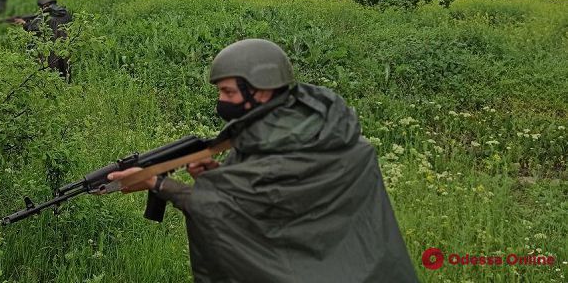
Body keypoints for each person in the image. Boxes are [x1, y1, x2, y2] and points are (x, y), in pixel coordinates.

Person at [108, 39, 417, 282]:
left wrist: (156, 182)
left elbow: (227, 208)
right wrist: (220, 176)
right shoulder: (310, 126)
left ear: (262, 90)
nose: (221, 102)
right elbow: (267, 199)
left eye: (228, 92)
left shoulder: (282, 145)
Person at [13, 0, 72, 81]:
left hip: (52, 48)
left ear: (45, 5)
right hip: (66, 46)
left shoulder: (46, 15)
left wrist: (24, 24)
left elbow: (34, 29)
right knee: (66, 70)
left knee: (54, 71)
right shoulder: (65, 13)